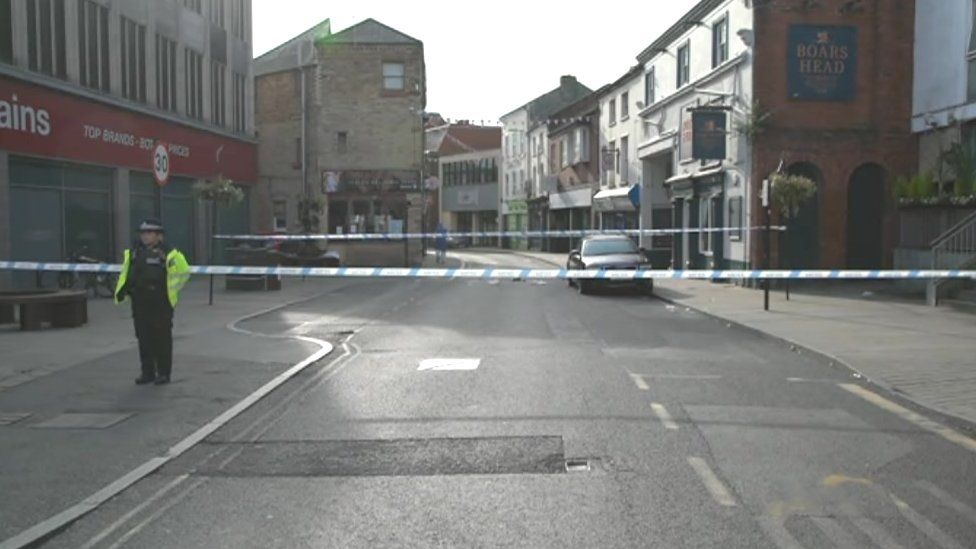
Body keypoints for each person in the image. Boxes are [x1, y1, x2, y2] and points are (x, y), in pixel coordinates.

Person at [114, 219, 191, 385]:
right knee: (143, 337)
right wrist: (123, 291)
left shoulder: (169, 253)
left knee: (161, 338)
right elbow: (127, 273)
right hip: (140, 301)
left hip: (160, 301)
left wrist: (171, 290)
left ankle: (163, 373)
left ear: (159, 236)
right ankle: (147, 372)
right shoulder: (134, 252)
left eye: (149, 233)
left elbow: (184, 273)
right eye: (143, 233)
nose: (145, 236)